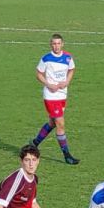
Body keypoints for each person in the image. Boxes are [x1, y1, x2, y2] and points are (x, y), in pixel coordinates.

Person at [31, 33, 79, 165]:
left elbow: (72, 69)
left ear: (62, 44)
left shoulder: (68, 57)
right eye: (54, 44)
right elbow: (38, 74)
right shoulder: (46, 58)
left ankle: (34, 143)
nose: (56, 46)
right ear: (50, 45)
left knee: (52, 123)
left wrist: (67, 81)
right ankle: (67, 155)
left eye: (58, 43)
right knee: (60, 124)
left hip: (62, 94)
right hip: (51, 96)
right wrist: (48, 84)